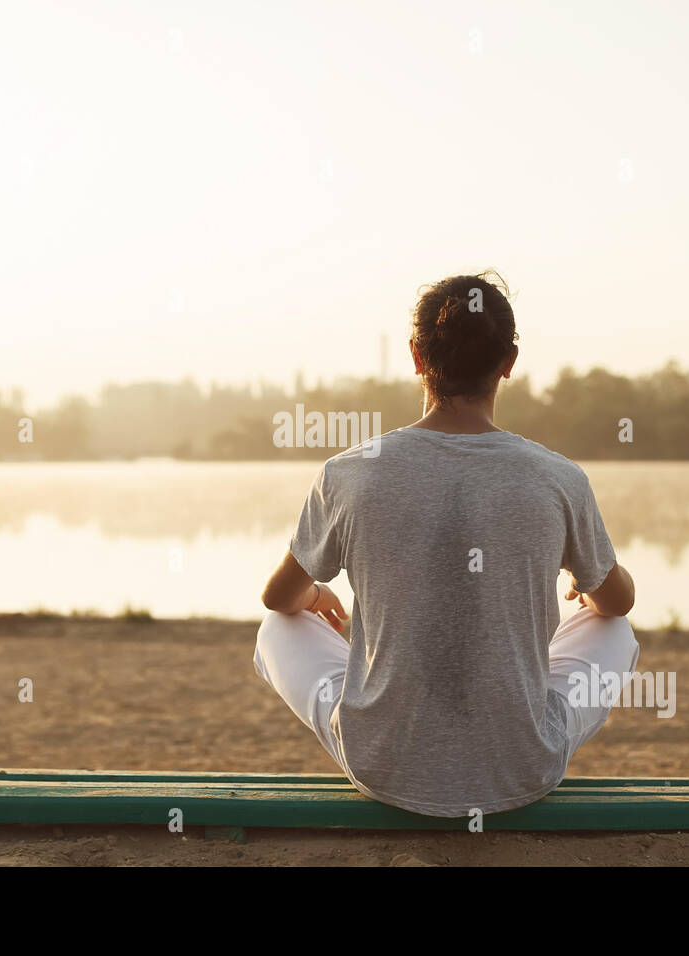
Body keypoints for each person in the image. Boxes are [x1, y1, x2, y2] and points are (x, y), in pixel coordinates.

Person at [255, 271, 638, 818]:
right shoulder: (558, 478)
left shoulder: (349, 475)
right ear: (508, 362)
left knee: (278, 626)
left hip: (382, 764)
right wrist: (587, 576)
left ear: (415, 356)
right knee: (612, 627)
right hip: (522, 765)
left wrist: (315, 597)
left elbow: (277, 599)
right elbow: (618, 604)